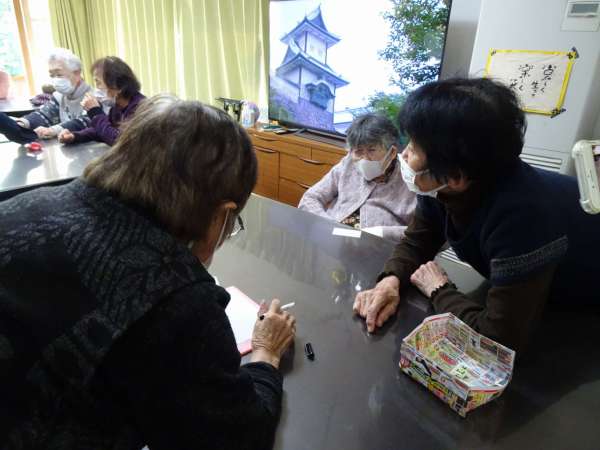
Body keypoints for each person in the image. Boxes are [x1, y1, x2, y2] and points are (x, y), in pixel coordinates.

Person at [0, 94, 295, 449]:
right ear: (221, 214)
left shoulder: (23, 205)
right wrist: (266, 353)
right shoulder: (178, 303)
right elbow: (240, 437)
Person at [353, 78, 600, 353]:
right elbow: (417, 240)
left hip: (582, 301)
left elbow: (498, 340)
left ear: (455, 177)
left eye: (414, 148)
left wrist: (439, 289)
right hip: (533, 287)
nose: (404, 153)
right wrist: (390, 281)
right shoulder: (442, 182)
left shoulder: (523, 217)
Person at [299, 113, 416, 241]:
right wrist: (327, 223)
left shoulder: (410, 179)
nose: (365, 159)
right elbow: (311, 197)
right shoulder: (348, 163)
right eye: (358, 151)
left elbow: (422, 232)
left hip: (378, 245)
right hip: (333, 237)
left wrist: (384, 233)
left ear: (392, 152)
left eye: (371, 150)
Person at [0, 48, 92, 144]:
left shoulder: (93, 97)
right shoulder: (59, 96)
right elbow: (44, 115)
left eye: (59, 74)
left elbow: (85, 122)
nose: (56, 80)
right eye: (52, 75)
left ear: (77, 73)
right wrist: (23, 123)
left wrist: (53, 130)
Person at [59, 56, 145, 146]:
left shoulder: (140, 108)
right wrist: (75, 136)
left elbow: (119, 141)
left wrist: (95, 112)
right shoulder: (117, 107)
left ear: (119, 86)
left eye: (98, 82)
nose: (96, 88)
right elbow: (101, 130)